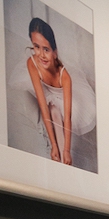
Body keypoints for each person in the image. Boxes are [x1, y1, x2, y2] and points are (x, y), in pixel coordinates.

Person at [26, 17, 74, 164]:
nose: (41, 54)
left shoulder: (64, 77)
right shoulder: (32, 63)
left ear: (55, 52)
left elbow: (68, 117)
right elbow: (42, 104)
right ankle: (54, 156)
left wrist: (66, 151)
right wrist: (54, 145)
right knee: (50, 110)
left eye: (46, 49)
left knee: (56, 112)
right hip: (47, 98)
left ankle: (64, 163)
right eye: (36, 47)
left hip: (62, 102)